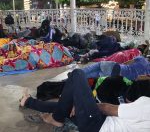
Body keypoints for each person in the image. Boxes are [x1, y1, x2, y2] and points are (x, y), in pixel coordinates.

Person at [20, 69, 150, 132]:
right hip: (100, 123)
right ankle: (28, 102)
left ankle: (57, 119)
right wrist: (82, 104)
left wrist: (84, 103)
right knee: (67, 105)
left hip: (98, 126)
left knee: (77, 74)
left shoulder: (147, 106)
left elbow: (107, 108)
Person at [82, 55, 150, 80]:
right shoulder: (148, 74)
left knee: (89, 69)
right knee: (91, 75)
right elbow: (138, 78)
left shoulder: (142, 59)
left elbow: (126, 63)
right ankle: (75, 78)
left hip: (117, 67)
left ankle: (73, 75)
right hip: (116, 77)